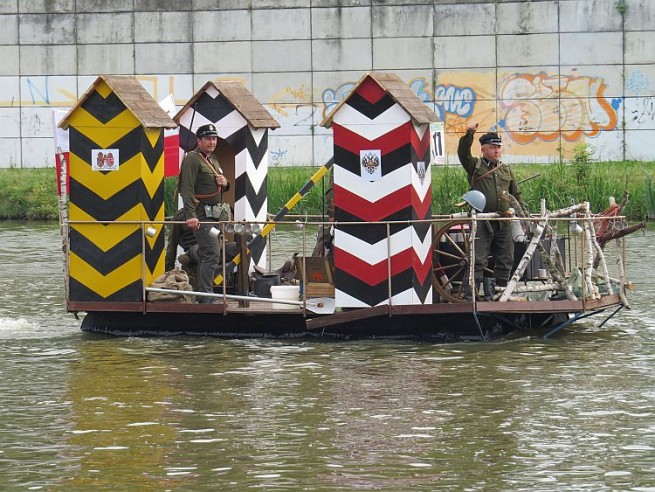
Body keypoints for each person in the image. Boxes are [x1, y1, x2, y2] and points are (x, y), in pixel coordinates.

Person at [458, 123, 525, 297]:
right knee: (478, 260)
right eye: (493, 147)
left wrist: (525, 217)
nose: (497, 150)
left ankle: (500, 294)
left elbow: (516, 194)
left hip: (503, 221)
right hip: (481, 221)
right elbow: (463, 153)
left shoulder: (505, 169)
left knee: (506, 259)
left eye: (499, 147)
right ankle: (471, 297)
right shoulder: (475, 166)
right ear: (483, 149)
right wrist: (469, 133)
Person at [178, 124, 230, 303]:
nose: (212, 142)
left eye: (214, 138)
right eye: (208, 138)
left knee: (209, 252)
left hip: (214, 216)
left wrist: (226, 183)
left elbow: (219, 184)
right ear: (199, 141)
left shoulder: (212, 158)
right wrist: (191, 215)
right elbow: (186, 189)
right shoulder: (193, 159)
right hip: (202, 215)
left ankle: (202, 294)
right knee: (212, 253)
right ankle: (206, 297)